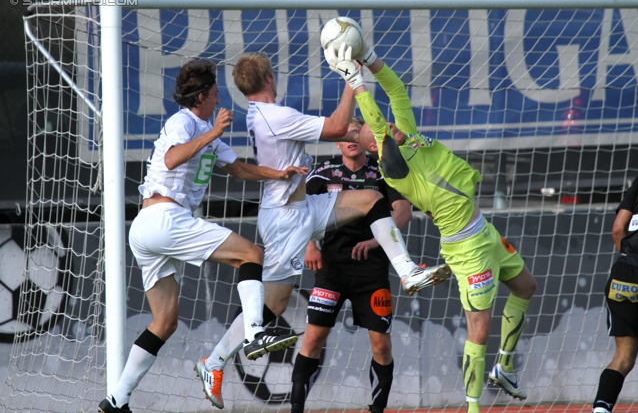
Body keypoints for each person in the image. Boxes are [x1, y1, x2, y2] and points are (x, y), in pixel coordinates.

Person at [199, 52, 450, 409]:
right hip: (286, 217)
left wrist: (372, 131)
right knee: (275, 302)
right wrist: (352, 81)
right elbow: (335, 126)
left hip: (302, 207)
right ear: (269, 78)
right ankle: (214, 361)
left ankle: (407, 270)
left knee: (368, 199)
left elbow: (343, 130)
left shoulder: (267, 114)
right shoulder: (276, 115)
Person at [323, 36, 537, 413]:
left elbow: (396, 90)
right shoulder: (395, 169)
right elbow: (375, 121)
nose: (386, 123)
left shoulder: (410, 137)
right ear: (375, 145)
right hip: (467, 249)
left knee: (526, 286)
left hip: (485, 231)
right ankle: (473, 407)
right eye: (375, 131)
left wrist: (370, 58)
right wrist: (355, 83)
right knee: (478, 331)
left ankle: (504, 366)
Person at [98, 59, 305, 413]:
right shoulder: (184, 122)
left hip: (149, 227)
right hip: (164, 218)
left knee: (165, 322)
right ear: (201, 96)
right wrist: (212, 133)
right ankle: (256, 333)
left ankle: (117, 400)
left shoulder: (204, 128)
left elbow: (239, 169)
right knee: (252, 255)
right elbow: (173, 159)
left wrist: (279, 173)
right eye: (215, 94)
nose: (219, 99)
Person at [290, 116, 413, 413]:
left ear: (364, 138)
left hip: (372, 272)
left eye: (355, 133)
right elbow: (296, 211)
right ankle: (295, 410)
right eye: (344, 134)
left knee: (381, 346)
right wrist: (309, 244)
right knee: (313, 338)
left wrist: (376, 241)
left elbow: (404, 213)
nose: (349, 138)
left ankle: (377, 409)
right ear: (336, 142)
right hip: (331, 270)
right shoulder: (322, 174)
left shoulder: (381, 172)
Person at [591, 173, 638, 413]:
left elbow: (617, 229)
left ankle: (601, 409)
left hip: (624, 275)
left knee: (623, 358)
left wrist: (629, 260)